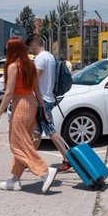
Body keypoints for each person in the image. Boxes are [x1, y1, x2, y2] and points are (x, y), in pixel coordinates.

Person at [0, 36, 58, 193]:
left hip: (20, 105)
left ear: (13, 50)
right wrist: (43, 110)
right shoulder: (30, 65)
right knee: (23, 141)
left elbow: (8, 94)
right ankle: (15, 179)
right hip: (32, 104)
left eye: (8, 48)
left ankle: (44, 171)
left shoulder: (13, 66)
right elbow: (37, 91)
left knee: (17, 144)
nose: (6, 51)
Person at [27, 35, 72, 172]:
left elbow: (33, 80)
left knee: (51, 131)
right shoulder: (50, 57)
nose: (30, 49)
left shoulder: (40, 58)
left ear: (35, 43)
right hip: (48, 98)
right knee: (36, 132)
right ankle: (28, 161)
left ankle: (67, 159)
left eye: (30, 46)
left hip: (43, 101)